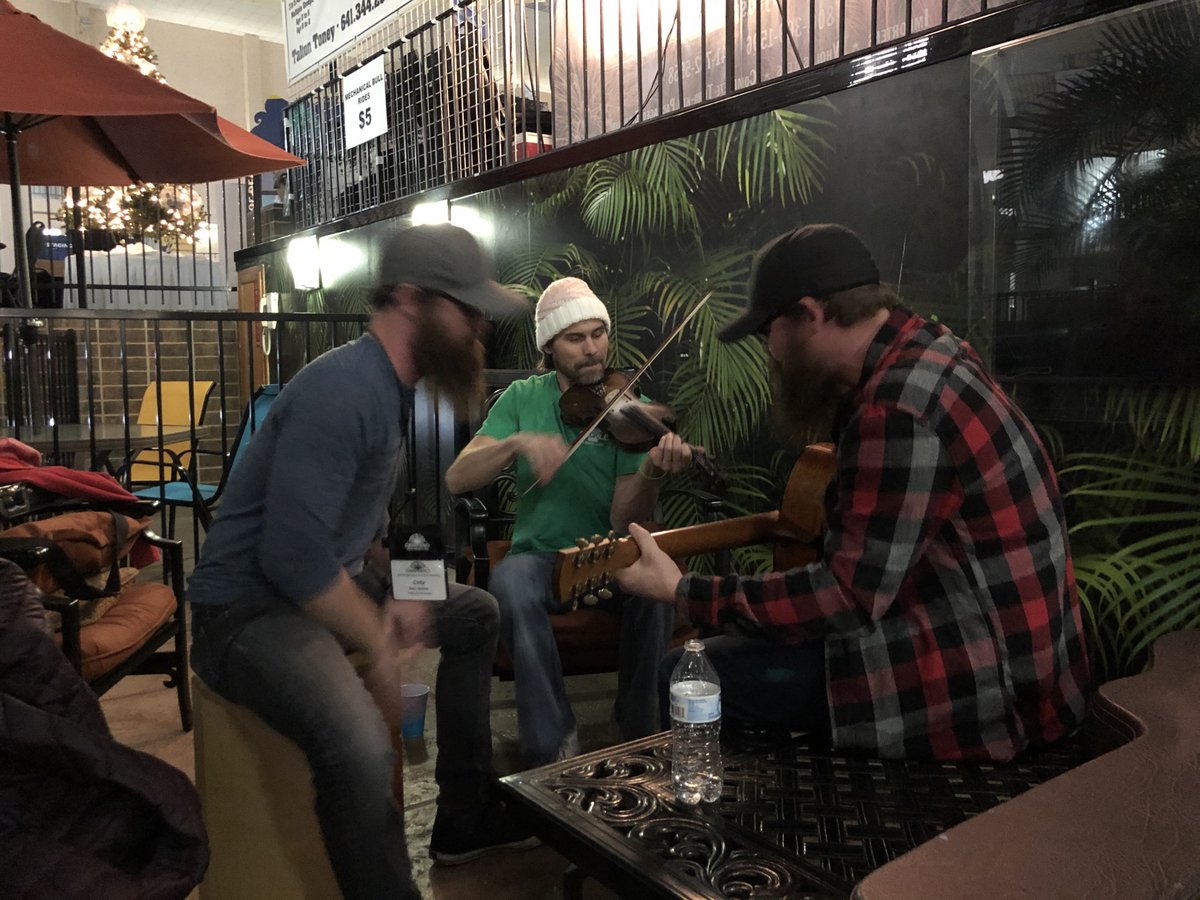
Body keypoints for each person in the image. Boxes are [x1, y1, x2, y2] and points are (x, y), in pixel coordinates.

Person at [617, 223, 1091, 762]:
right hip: (1026, 665)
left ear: (811, 314)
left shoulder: (896, 408)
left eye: (767, 332)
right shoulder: (932, 349)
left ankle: (758, 832)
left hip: (993, 690)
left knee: (688, 676)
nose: (770, 352)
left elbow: (846, 598)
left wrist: (683, 591)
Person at [188, 224, 537, 900]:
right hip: (246, 611)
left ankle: (460, 817)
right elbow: (292, 558)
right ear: (411, 300)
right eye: (466, 309)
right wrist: (378, 643)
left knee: (474, 612)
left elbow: (370, 530)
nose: (479, 326)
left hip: (322, 582)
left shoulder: (391, 390)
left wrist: (407, 584)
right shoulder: (342, 391)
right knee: (360, 746)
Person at [445, 276, 693, 766]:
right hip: (542, 558)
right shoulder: (521, 398)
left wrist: (649, 469)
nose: (592, 349)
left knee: (656, 589)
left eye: (598, 334)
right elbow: (457, 478)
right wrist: (517, 443)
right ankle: (552, 741)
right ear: (550, 347)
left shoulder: (626, 407)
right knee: (510, 582)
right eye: (575, 339)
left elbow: (626, 516)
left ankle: (640, 724)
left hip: (609, 555)